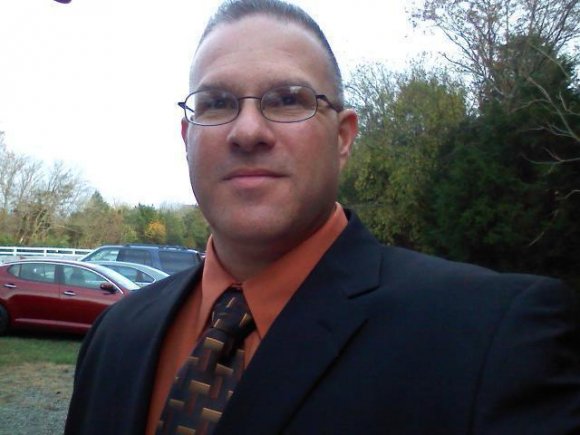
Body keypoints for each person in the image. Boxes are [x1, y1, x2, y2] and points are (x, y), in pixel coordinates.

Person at [65, 1, 580, 434]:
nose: (247, 131)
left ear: (343, 138)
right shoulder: (116, 335)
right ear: (187, 137)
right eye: (217, 103)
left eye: (288, 100)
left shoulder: (492, 338)